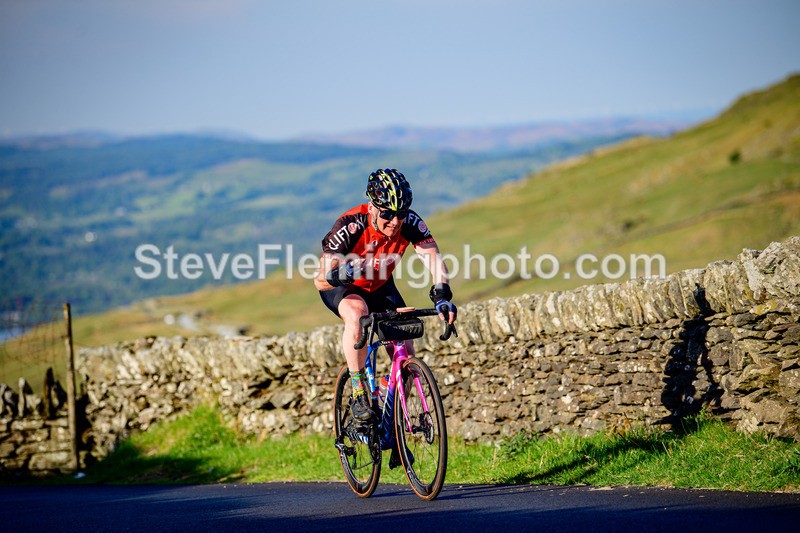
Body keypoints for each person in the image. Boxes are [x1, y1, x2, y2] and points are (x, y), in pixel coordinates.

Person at [315, 168, 457, 423]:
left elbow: (434, 260)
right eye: (387, 214)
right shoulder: (350, 225)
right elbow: (320, 279)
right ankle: (359, 394)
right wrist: (342, 273)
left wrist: (442, 294)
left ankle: (392, 421)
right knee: (357, 316)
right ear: (372, 206)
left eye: (400, 214)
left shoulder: (410, 223)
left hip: (380, 286)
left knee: (407, 352)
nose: (394, 221)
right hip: (344, 287)